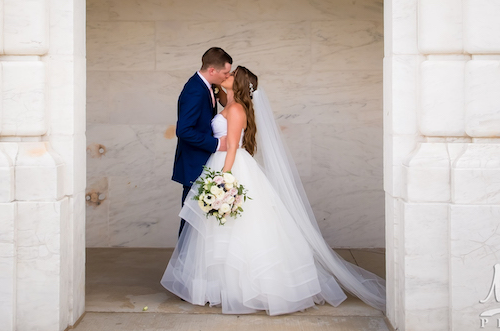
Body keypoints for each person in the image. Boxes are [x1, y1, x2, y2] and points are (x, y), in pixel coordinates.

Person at [162, 66, 387, 316]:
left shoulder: (236, 110)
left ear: (239, 84)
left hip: (230, 166)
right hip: (221, 163)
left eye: (231, 75)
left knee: (239, 227)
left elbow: (233, 148)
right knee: (219, 229)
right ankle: (218, 287)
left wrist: (223, 179)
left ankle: (243, 289)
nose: (226, 76)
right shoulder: (228, 104)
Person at [171, 47, 232, 236]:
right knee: (191, 223)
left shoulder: (207, 85)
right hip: (194, 164)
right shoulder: (195, 91)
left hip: (203, 162)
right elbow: (184, 130)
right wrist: (215, 144)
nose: (227, 76)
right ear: (212, 70)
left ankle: (190, 264)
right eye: (225, 72)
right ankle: (182, 265)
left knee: (199, 221)